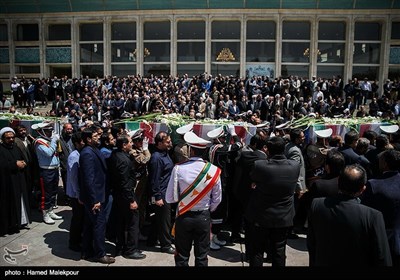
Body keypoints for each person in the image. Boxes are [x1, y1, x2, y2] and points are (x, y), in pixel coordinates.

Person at [307, 164, 392, 266]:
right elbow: (382, 256)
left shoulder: (317, 205)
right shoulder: (373, 216)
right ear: (362, 189)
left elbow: (312, 244)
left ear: (338, 182)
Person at [165, 131, 222, 266]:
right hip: (203, 216)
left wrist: (186, 201)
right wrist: (207, 209)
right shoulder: (214, 170)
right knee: (202, 256)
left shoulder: (178, 169)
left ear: (190, 150)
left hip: (184, 217)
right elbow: (217, 199)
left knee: (182, 256)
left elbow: (170, 198)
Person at [244, 136, 300, 267]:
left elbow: (253, 179)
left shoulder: (260, 165)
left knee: (257, 250)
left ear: (268, 150)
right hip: (283, 217)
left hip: (261, 216)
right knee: (279, 250)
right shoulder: (294, 166)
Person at [79, 127, 115, 264]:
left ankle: (87, 251)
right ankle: (100, 254)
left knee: (90, 224)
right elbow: (89, 179)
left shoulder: (94, 149)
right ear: (88, 139)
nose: (99, 137)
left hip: (98, 194)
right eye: (95, 136)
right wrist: (95, 200)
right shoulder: (87, 153)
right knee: (99, 225)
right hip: (95, 198)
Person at [108, 134, 146, 260]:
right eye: (130, 142)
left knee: (121, 221)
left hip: (119, 195)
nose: (132, 144)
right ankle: (131, 250)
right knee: (133, 221)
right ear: (124, 145)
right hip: (125, 195)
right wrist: (131, 200)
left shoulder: (116, 154)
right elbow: (125, 182)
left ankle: (120, 246)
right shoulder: (123, 160)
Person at [207, 125, 243, 250]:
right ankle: (210, 238)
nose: (224, 140)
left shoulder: (216, 147)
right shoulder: (217, 148)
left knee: (221, 209)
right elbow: (238, 145)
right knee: (216, 209)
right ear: (218, 139)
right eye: (223, 138)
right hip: (218, 182)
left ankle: (215, 235)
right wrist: (234, 134)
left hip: (220, 181)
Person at [361, 149, 400, 266]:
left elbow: (365, 213)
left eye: (381, 160)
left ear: (385, 164)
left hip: (382, 242)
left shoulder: (373, 184)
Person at [147, 131, 175, 254]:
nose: (170, 143)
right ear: (159, 143)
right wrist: (157, 197)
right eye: (167, 142)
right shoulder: (157, 158)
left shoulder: (165, 153)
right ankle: (166, 245)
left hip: (166, 192)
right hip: (161, 194)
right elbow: (154, 179)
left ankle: (151, 240)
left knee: (158, 219)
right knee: (164, 220)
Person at [0, 127, 30, 235]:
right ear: (3, 139)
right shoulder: (1, 149)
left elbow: (23, 158)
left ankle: (20, 222)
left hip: (19, 180)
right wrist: (14, 164)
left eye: (12, 137)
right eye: (8, 138)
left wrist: (23, 163)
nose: (11, 140)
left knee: (20, 202)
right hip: (7, 183)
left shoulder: (16, 147)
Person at [31, 122, 63, 225]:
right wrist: (54, 141)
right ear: (42, 131)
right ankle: (45, 213)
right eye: (48, 131)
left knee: (53, 191)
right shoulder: (39, 142)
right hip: (46, 170)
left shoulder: (49, 140)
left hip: (54, 169)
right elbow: (48, 153)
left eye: (51, 131)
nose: (50, 133)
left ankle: (50, 211)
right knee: (46, 193)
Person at [128, 129, 151, 234]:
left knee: (142, 207)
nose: (142, 143)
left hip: (143, 181)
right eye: (140, 141)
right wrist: (145, 149)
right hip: (136, 184)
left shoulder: (139, 149)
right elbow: (144, 160)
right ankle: (133, 232)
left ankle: (140, 228)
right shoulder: (132, 151)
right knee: (135, 208)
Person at [66, 131, 85, 252]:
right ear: (77, 143)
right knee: (77, 219)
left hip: (79, 193)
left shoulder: (81, 153)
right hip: (75, 194)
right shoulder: (74, 156)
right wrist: (78, 194)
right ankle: (73, 242)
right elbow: (73, 178)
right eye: (83, 141)